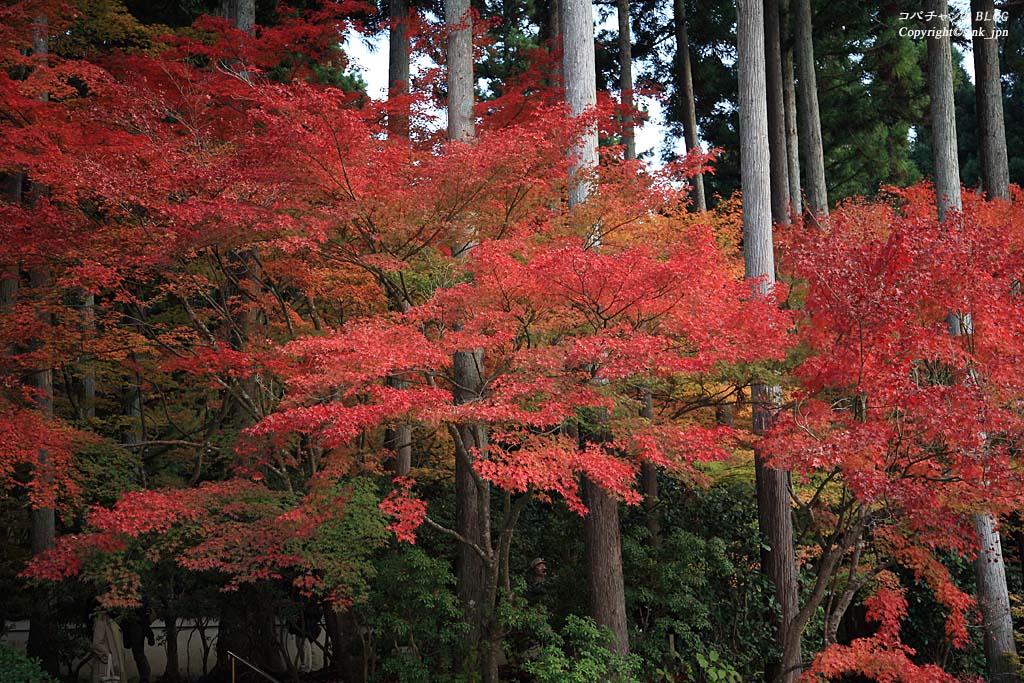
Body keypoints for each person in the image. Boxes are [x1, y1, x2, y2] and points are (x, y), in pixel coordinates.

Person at [120, 601, 155, 683]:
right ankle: (144, 676)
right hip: (136, 626)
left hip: (136, 627)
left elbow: (143, 618)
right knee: (138, 654)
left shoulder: (137, 601)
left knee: (138, 654)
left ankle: (144, 677)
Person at [91, 610, 127, 683]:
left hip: (111, 664)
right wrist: (108, 655)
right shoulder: (101, 623)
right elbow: (97, 644)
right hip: (105, 665)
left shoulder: (112, 624)